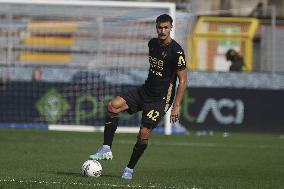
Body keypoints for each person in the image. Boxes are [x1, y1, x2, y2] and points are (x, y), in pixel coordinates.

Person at [89, 14, 188, 180]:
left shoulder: (177, 51)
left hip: (160, 99)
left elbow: (183, 80)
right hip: (145, 90)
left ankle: (129, 169)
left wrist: (176, 106)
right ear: (156, 27)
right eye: (159, 27)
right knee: (113, 106)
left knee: (143, 132)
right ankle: (106, 148)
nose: (162, 31)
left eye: (166, 27)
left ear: (171, 27)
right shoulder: (152, 44)